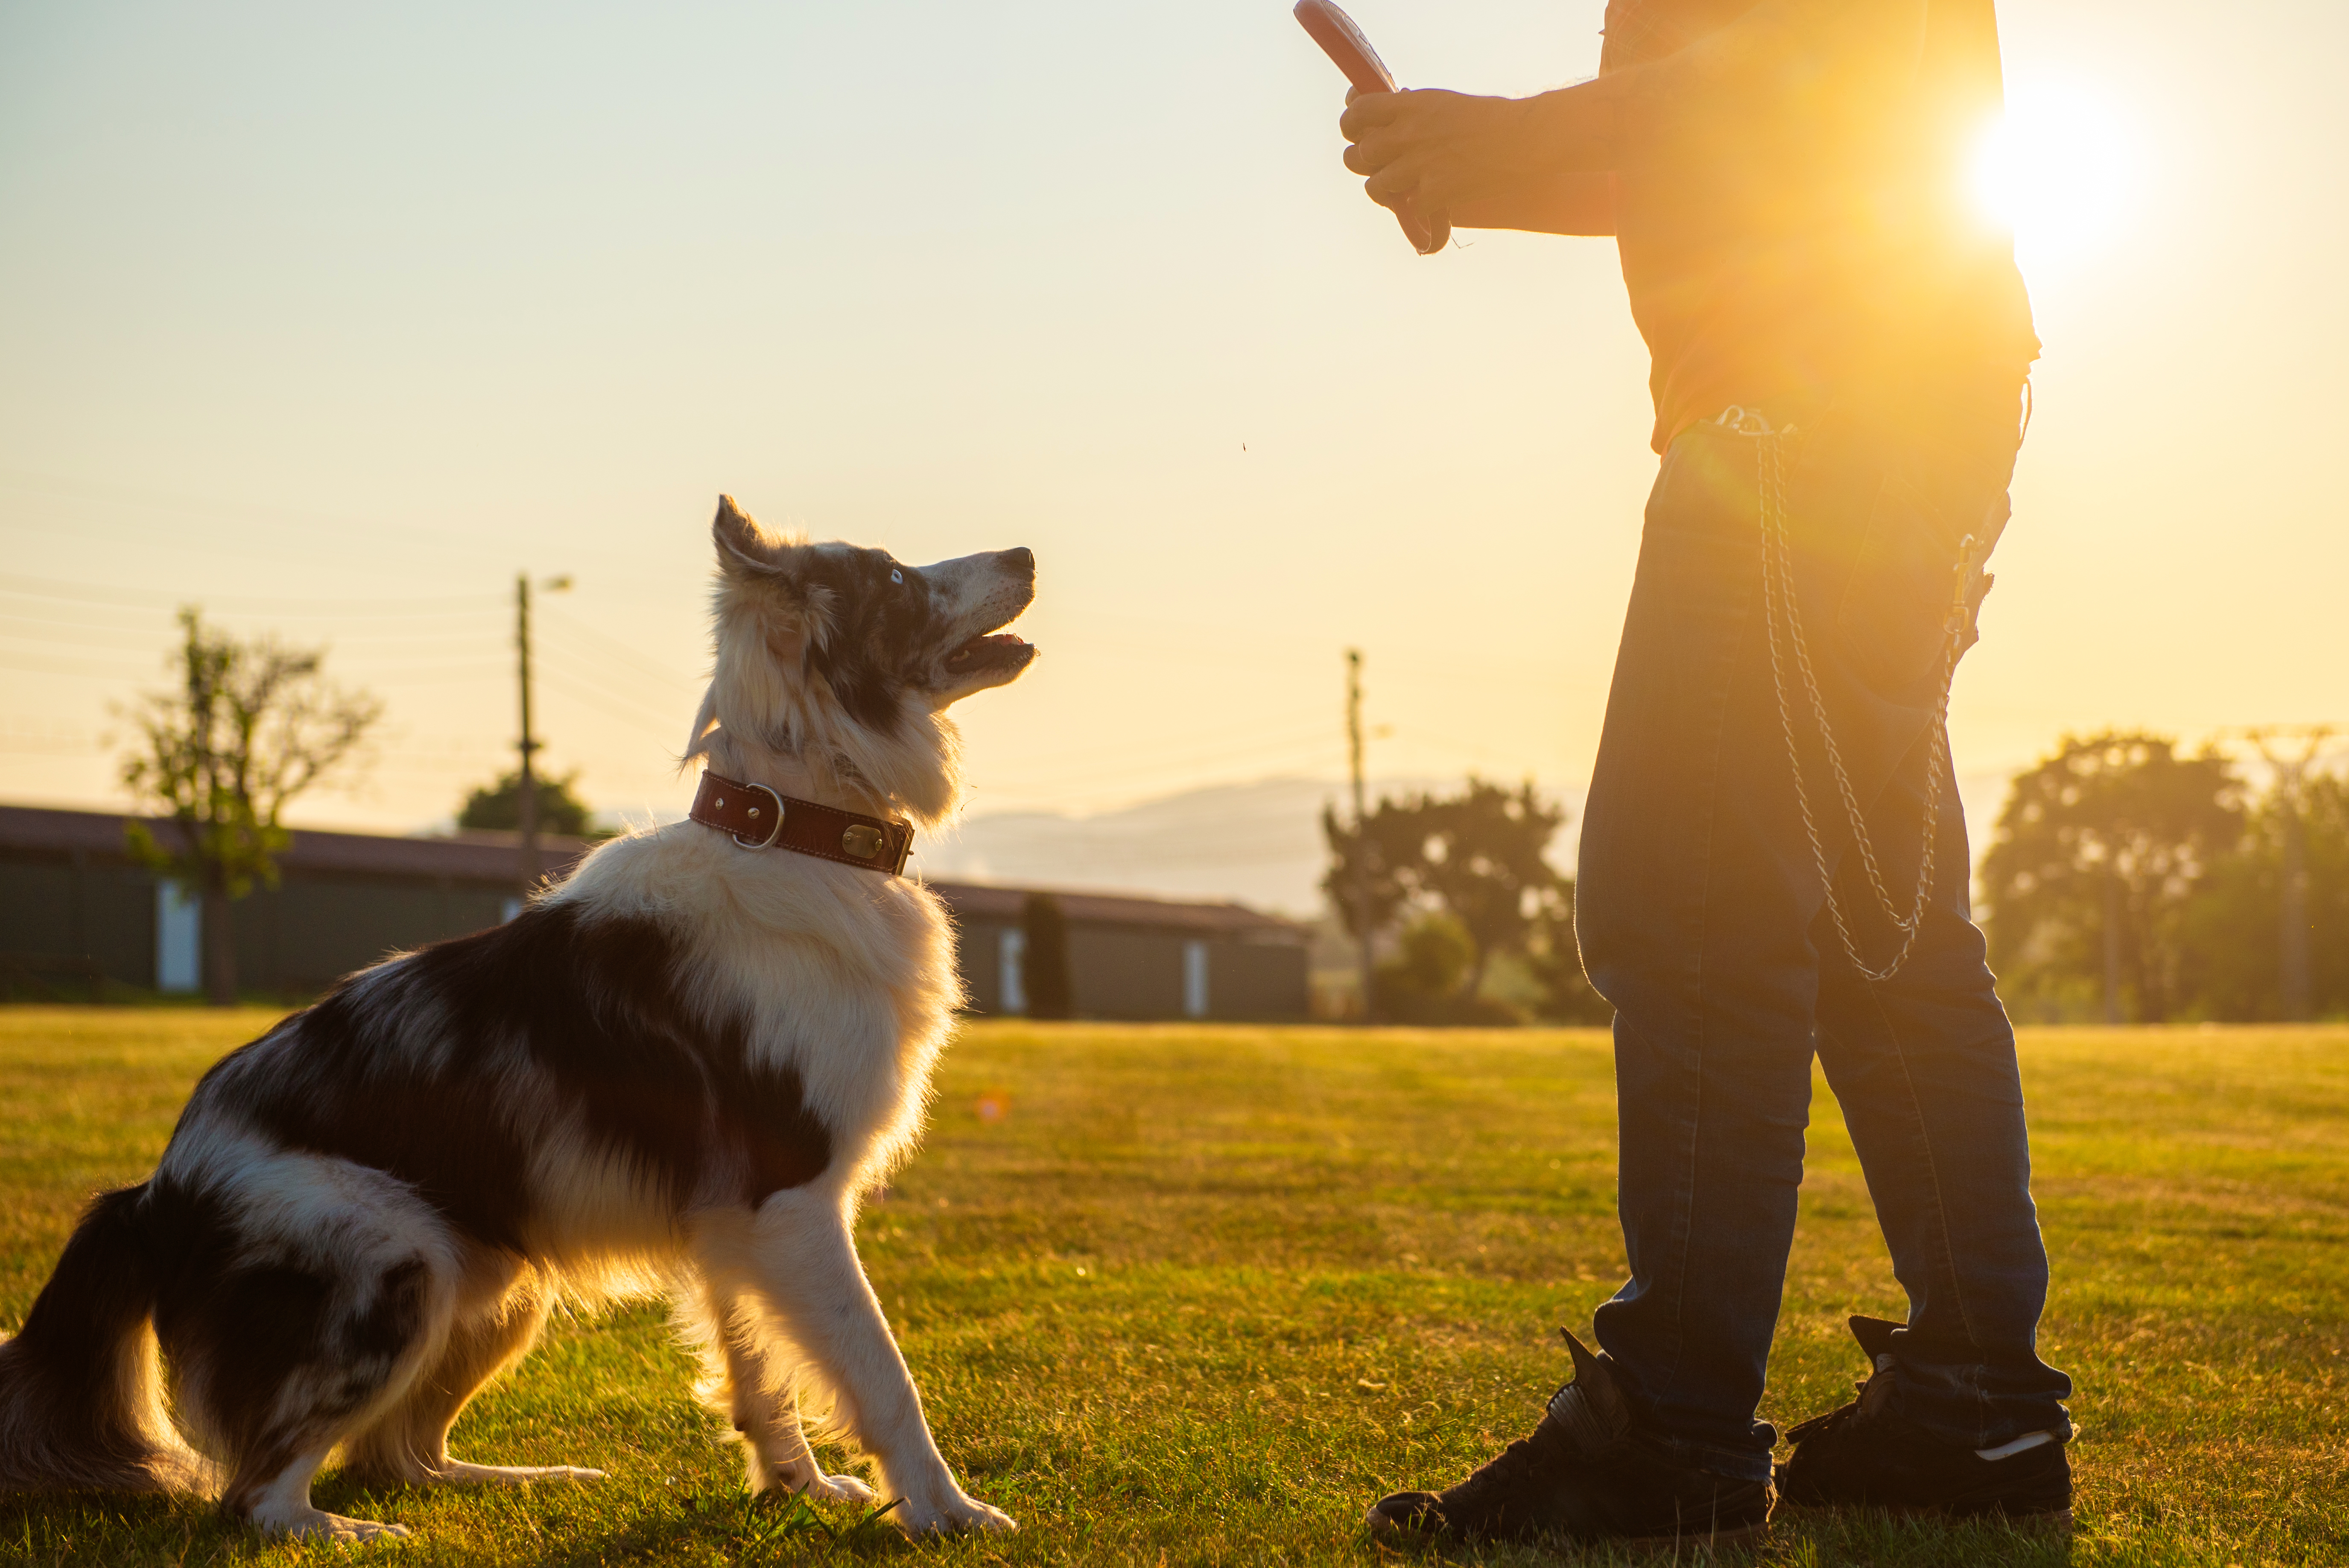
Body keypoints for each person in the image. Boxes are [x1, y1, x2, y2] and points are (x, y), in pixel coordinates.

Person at [1333, 0, 2073, 1547]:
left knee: (1693, 909)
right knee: (1887, 933)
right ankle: (1974, 1406)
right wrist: (1466, 163)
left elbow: (1798, 80)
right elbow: (1700, 141)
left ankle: (1670, 1426)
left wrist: (1500, 134)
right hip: (1902, 399)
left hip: (1801, 413)